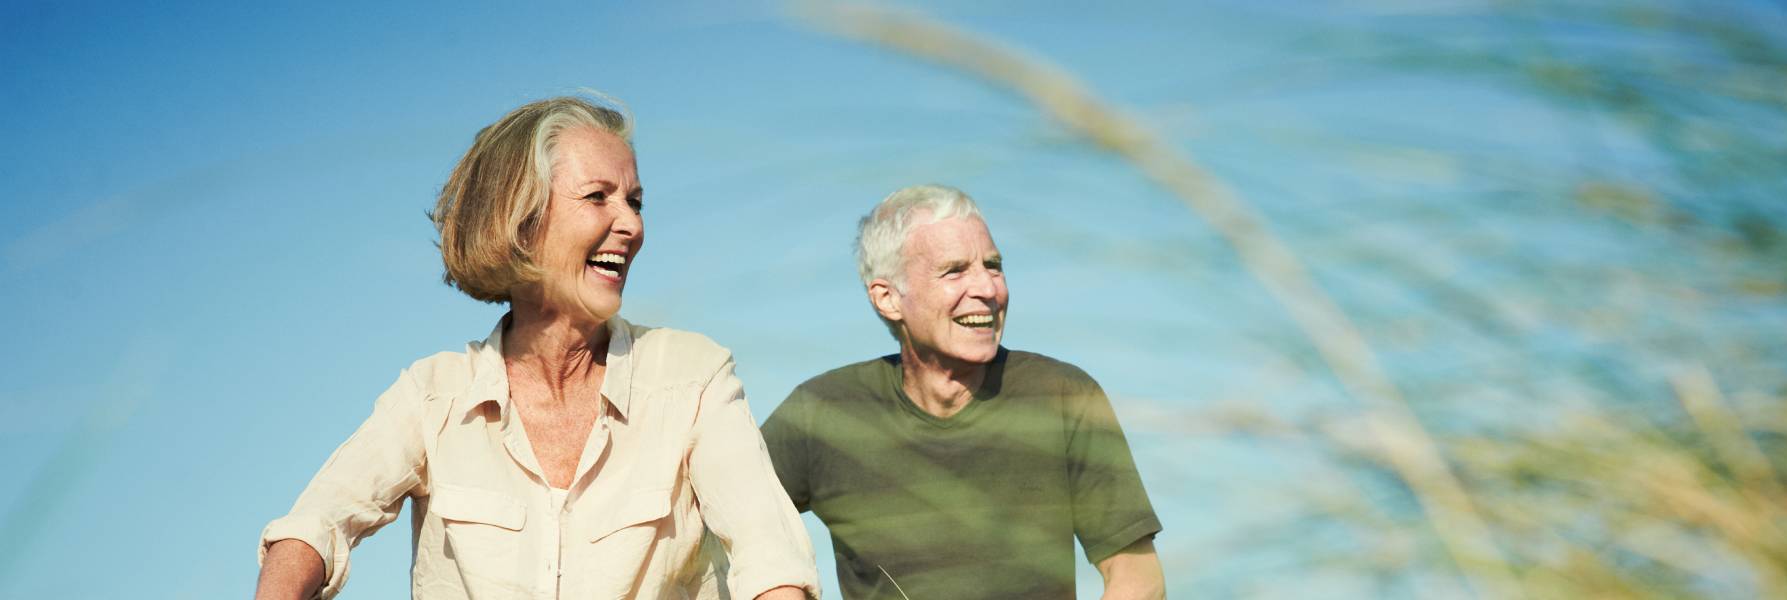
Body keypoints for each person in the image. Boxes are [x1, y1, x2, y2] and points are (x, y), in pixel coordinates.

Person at [255, 95, 817, 600]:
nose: (631, 225)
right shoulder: (431, 397)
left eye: (636, 201)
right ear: (521, 220)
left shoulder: (693, 379)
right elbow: (315, 526)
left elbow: (769, 557)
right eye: (598, 197)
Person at [760, 184, 1165, 599]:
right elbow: (714, 524)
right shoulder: (821, 414)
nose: (988, 290)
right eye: (955, 270)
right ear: (888, 299)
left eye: (993, 266)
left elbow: (1138, 579)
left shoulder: (1062, 396)